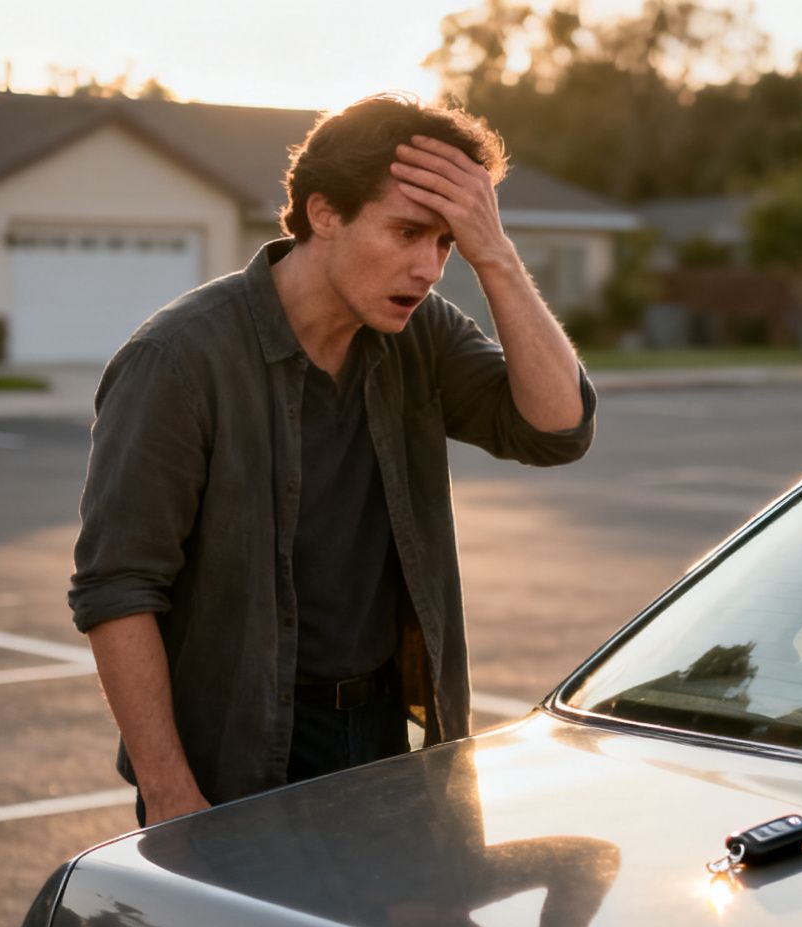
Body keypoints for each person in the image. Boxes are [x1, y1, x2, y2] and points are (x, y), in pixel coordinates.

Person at [68, 94, 596, 826]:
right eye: (408, 232)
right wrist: (168, 791)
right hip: (239, 752)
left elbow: (554, 429)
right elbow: (116, 588)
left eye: (446, 243)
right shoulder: (180, 361)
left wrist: (496, 254)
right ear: (324, 213)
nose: (430, 268)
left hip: (387, 733)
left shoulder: (419, 332)